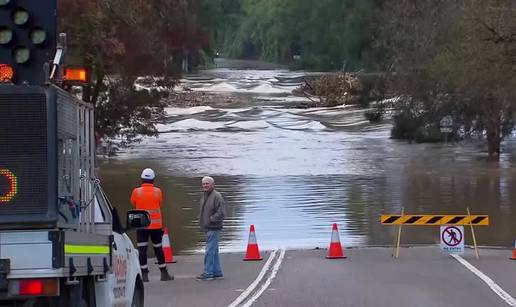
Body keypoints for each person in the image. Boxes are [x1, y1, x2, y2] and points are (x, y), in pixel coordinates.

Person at [130, 168, 173, 282]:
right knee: (158, 249)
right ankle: (164, 274)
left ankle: (144, 275)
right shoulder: (157, 191)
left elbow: (133, 202)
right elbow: (159, 202)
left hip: (142, 226)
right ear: (153, 179)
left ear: (142, 179)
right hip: (156, 227)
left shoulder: (136, 191)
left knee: (142, 250)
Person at [196, 176, 226, 281]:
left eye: (207, 184)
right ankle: (217, 272)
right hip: (207, 227)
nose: (205, 186)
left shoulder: (217, 196)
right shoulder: (204, 195)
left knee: (209, 251)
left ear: (213, 185)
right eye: (203, 184)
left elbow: (221, 212)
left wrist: (211, 219)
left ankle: (208, 273)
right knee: (214, 250)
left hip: (213, 227)